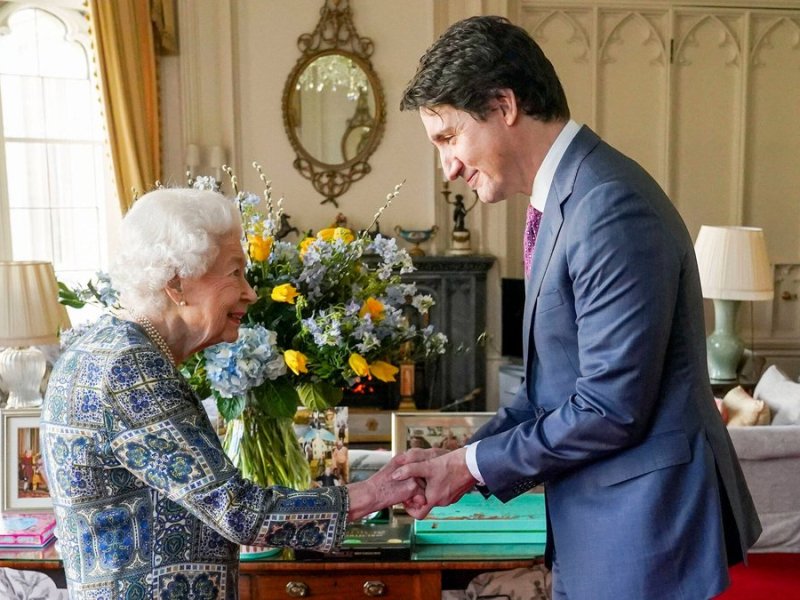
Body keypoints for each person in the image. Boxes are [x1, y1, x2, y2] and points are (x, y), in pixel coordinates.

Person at [393, 15, 761, 600]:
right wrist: (461, 457)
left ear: (503, 104)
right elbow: (551, 393)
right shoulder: (568, 197)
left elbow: (610, 407)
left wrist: (471, 467)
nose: (449, 167)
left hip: (643, 531)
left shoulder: (609, 204)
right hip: (604, 526)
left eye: (448, 138)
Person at [40, 188, 422, 600]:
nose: (251, 292)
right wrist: (376, 492)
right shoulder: (131, 369)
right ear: (176, 282)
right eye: (235, 272)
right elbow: (237, 510)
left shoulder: (101, 347)